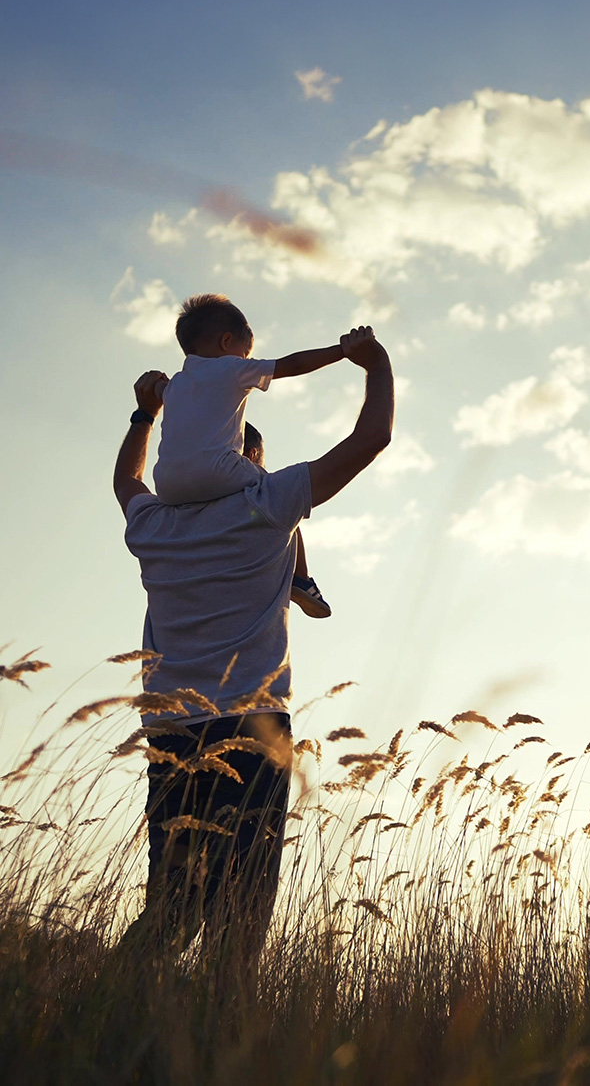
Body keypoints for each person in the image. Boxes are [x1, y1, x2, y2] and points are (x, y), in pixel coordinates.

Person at [113, 325, 393, 963]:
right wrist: (374, 366)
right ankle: (219, 1048)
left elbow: (125, 479)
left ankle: (104, 1028)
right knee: (241, 916)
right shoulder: (268, 504)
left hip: (172, 729)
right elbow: (371, 438)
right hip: (253, 722)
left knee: (171, 907)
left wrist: (144, 415)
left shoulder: (152, 524)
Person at [154, 292, 346, 617]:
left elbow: (156, 392)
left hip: (166, 487)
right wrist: (342, 351)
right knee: (282, 495)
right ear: (227, 342)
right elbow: (293, 364)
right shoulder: (231, 369)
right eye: (246, 354)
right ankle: (301, 579)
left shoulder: (174, 387)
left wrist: (152, 387)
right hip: (217, 471)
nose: (246, 360)